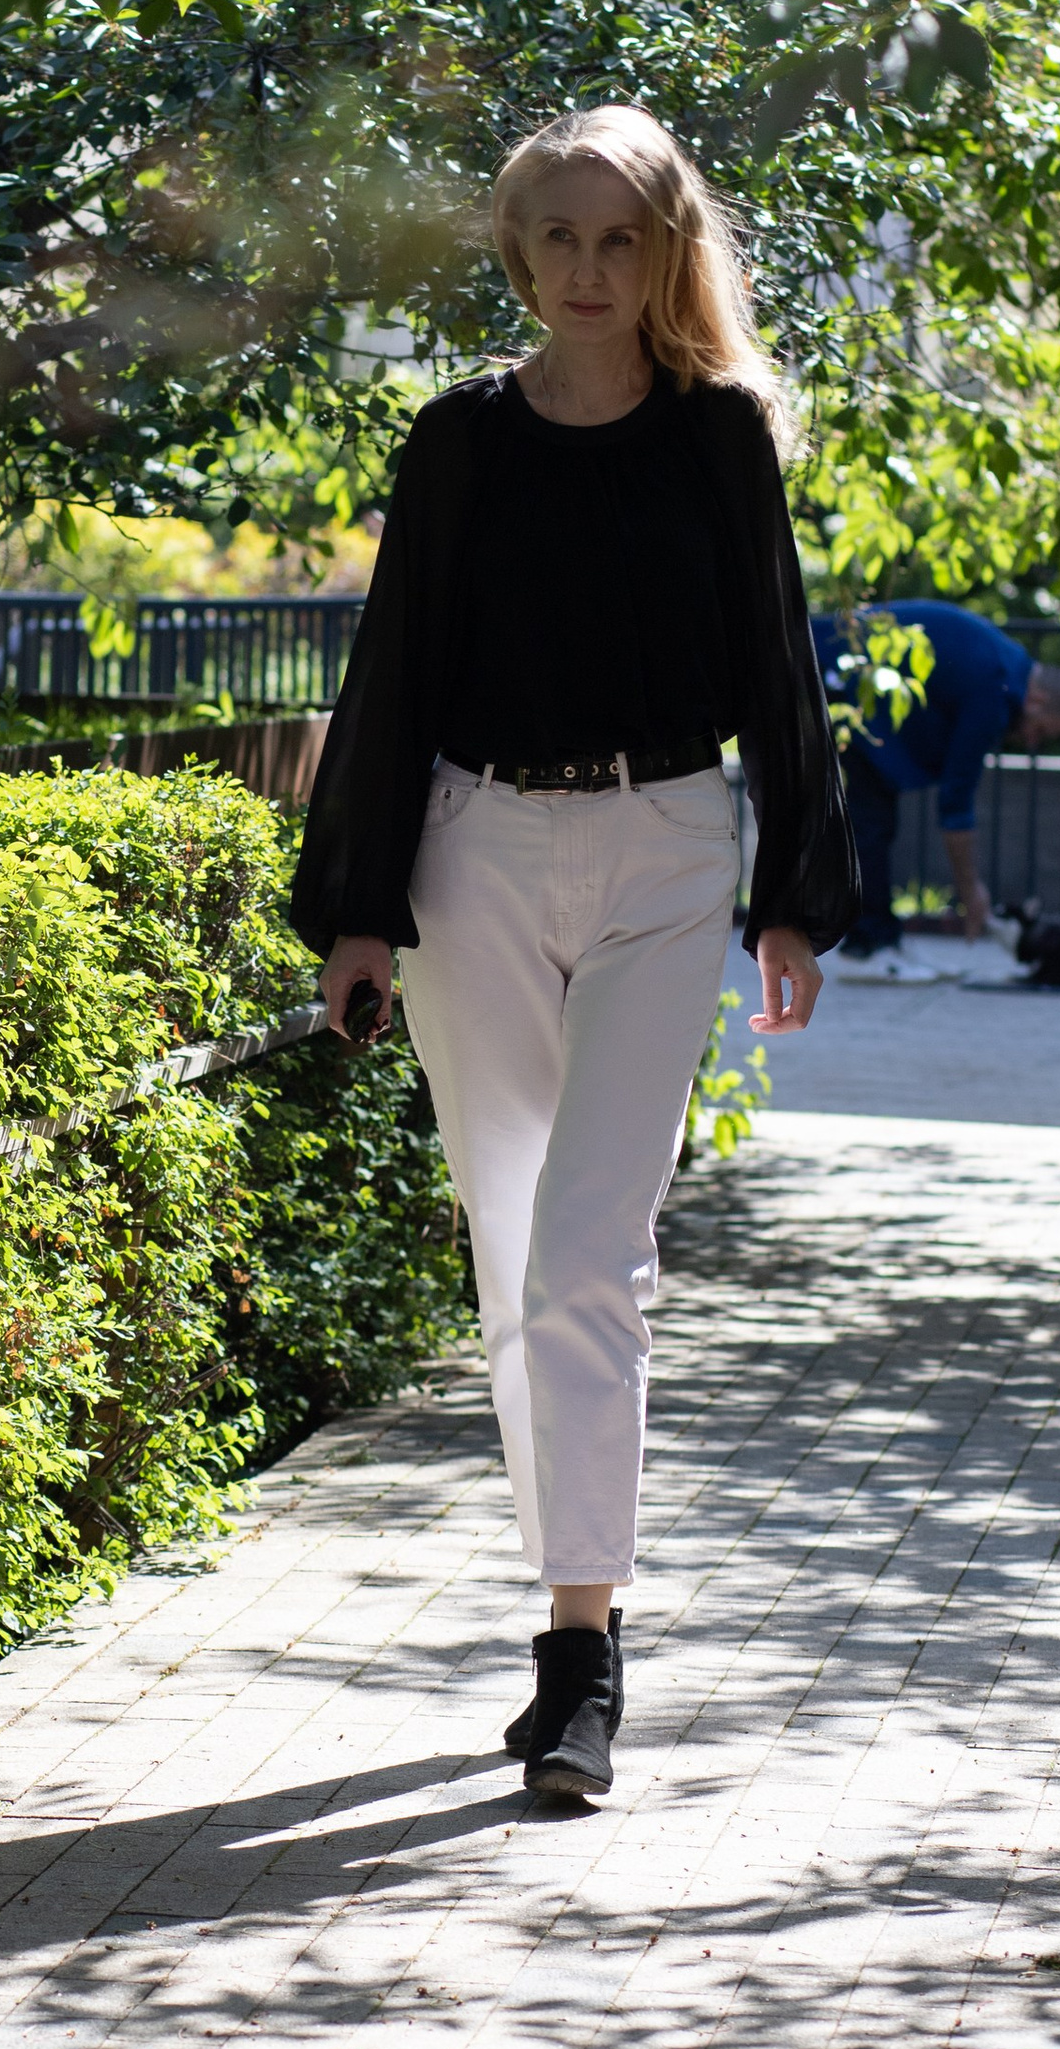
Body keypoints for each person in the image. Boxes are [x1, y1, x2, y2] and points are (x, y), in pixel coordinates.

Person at [293, 104, 856, 1806]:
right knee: (517, 1254)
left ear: (665, 252)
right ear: (519, 256)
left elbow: (777, 667)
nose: (590, 272)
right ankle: (570, 1622)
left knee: (591, 1255)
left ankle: (581, 1647)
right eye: (560, 241)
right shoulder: (457, 444)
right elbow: (392, 670)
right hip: (474, 853)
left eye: (622, 240)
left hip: (666, 854)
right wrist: (360, 910)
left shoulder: (719, 442)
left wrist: (794, 893)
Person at [808, 604, 1060, 981]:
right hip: (841, 681)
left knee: (874, 820)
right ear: (1036, 701)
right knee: (870, 825)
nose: (1032, 742)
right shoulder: (996, 689)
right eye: (1041, 731)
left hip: (849, 679)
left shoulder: (1006, 662)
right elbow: (955, 803)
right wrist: (972, 891)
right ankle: (867, 946)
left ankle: (884, 937)